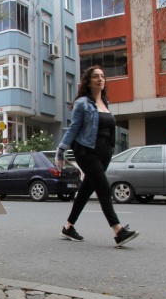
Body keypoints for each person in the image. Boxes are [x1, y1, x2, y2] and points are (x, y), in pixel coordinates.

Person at [55, 66, 139, 247]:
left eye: (102, 76)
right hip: (86, 152)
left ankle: (68, 227)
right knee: (103, 188)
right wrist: (61, 150)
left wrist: (111, 149)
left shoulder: (105, 103)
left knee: (86, 190)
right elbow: (73, 128)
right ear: (88, 81)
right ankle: (118, 231)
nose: (100, 79)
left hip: (104, 153)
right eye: (95, 76)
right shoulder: (82, 103)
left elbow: (109, 130)